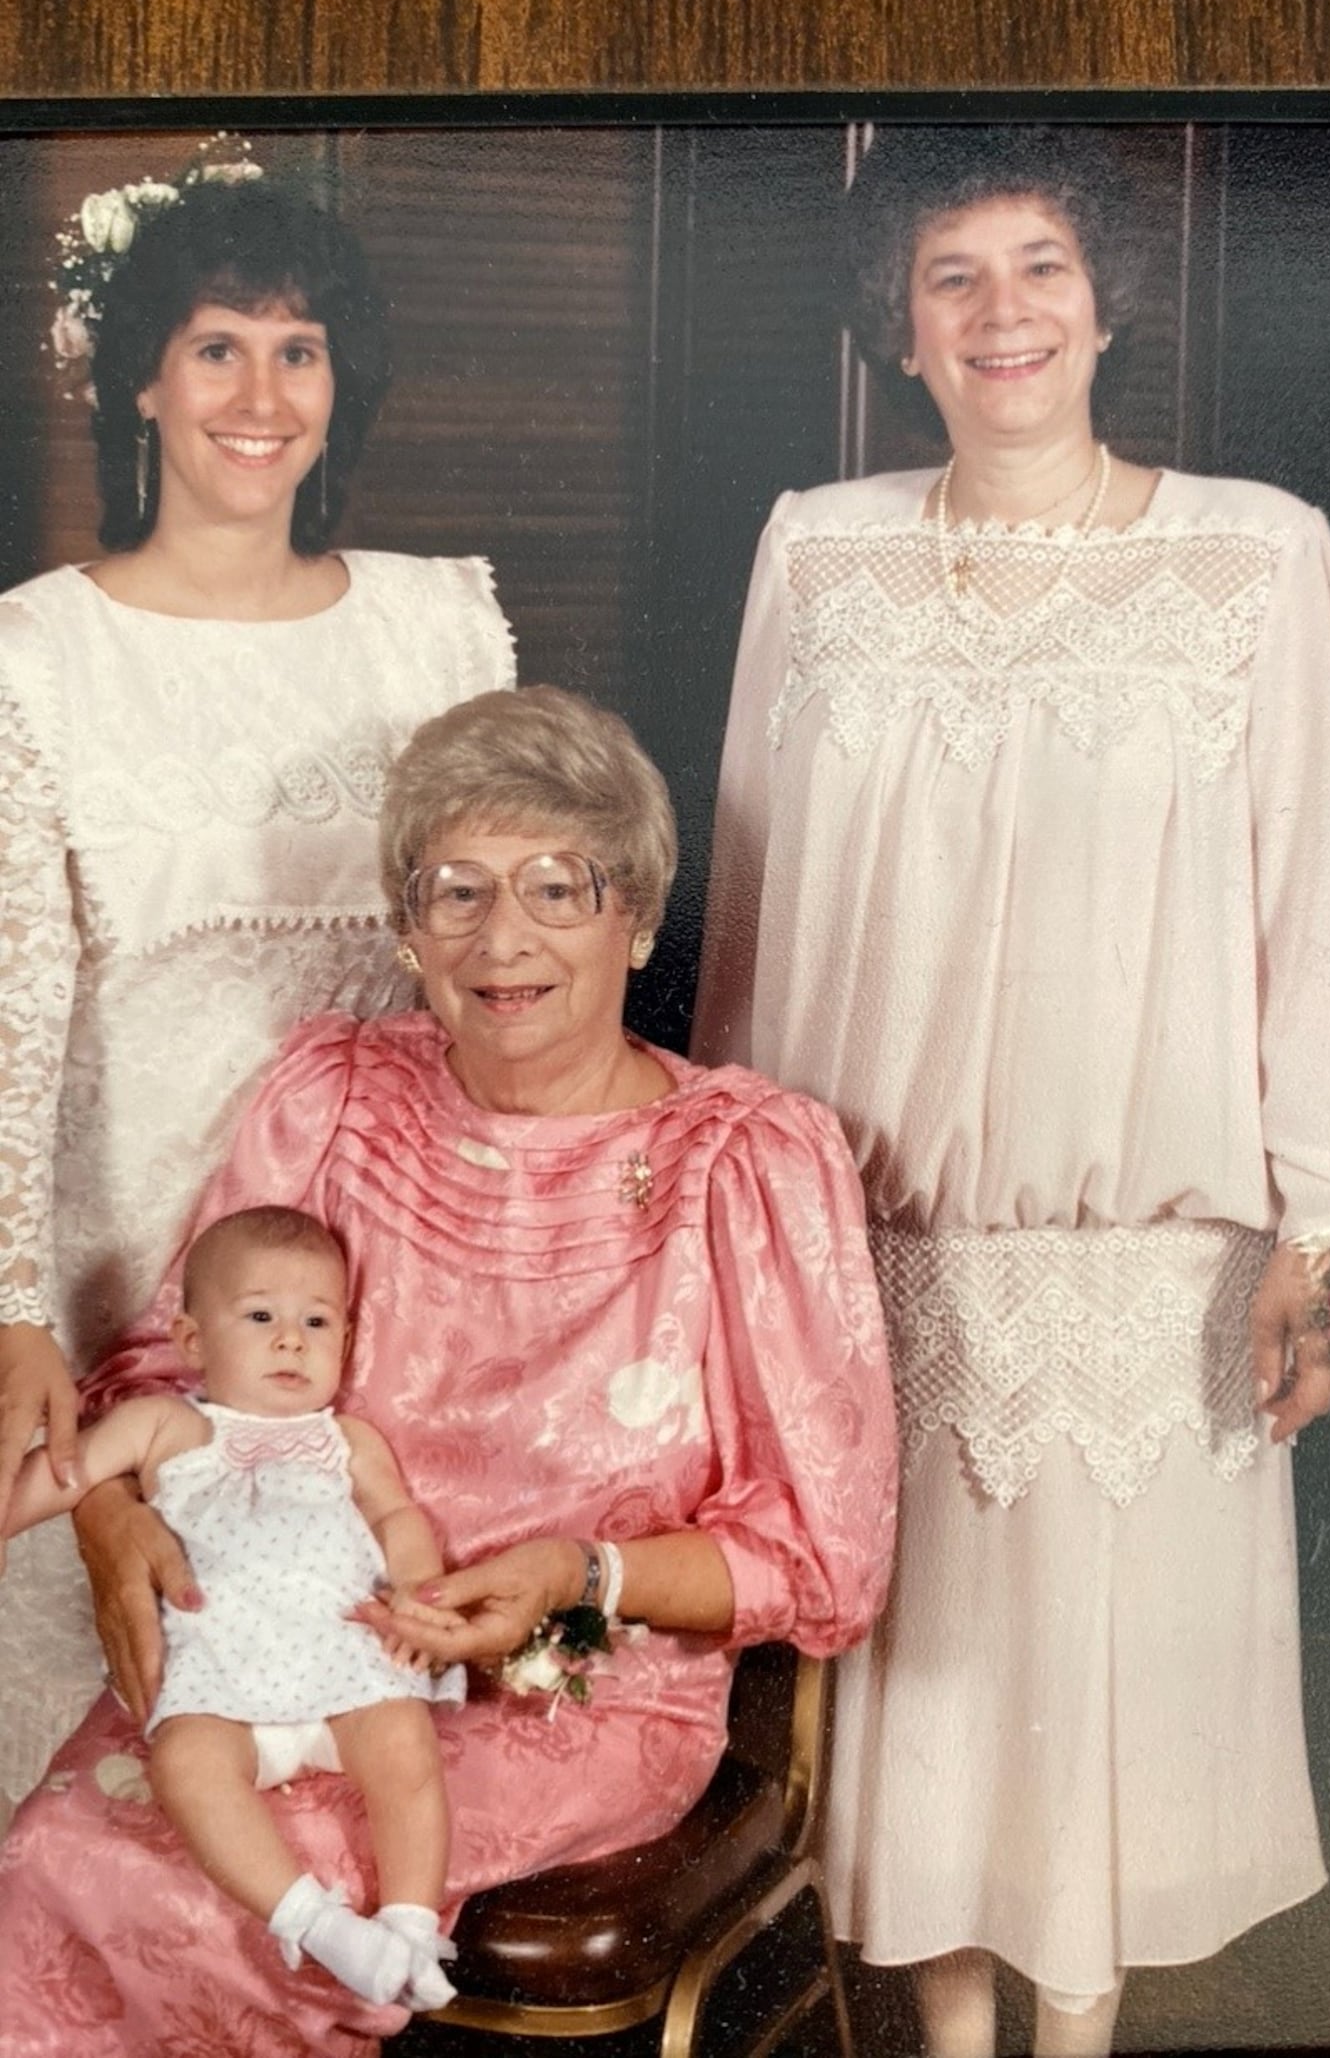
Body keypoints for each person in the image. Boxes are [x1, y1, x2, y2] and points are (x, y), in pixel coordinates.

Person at [692, 124, 1330, 2058]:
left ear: (1108, 298)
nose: (1004, 312)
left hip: (1152, 1269)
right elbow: (746, 915)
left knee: (1100, 1750)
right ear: (899, 325)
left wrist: (1319, 1257)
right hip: (871, 1268)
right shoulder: (815, 550)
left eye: (1042, 264)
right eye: (953, 274)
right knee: (926, 1742)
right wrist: (737, 1248)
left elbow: (1310, 923)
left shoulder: (1257, 556)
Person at [0, 683, 897, 2057]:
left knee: (214, 1889)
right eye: (455, 892)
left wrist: (581, 1572)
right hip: (277, 1645)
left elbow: (825, 1560)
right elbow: (152, 1373)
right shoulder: (335, 1098)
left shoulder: (744, 1163)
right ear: (408, 930)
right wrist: (117, 1528)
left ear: (637, 916)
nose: (504, 936)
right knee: (56, 1844)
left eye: (558, 886)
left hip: (570, 1691)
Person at [0, 141, 513, 1820]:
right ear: (137, 379)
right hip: (122, 1260)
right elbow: (6, 1008)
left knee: (362, 1731)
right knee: (124, 1755)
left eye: (299, 349)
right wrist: (15, 1309)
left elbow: (511, 956)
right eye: (215, 343)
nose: (260, 390)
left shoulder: (441, 629)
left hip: (380, 1271)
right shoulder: (35, 653)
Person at [3, 1202, 464, 2012]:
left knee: (405, 1740)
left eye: (317, 1321)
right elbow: (53, 1481)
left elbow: (397, 1519)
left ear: (346, 1344)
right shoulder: (165, 1427)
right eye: (261, 1317)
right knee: (187, 1766)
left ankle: (413, 1926)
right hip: (222, 1683)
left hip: (341, 1660)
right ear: (191, 1341)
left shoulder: (347, 1440)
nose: (292, 1339)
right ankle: (319, 1926)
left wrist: (417, 1597)